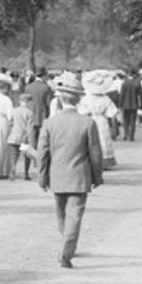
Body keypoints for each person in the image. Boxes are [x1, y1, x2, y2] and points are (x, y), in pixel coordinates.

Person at [37, 71, 103, 269]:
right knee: (75, 215)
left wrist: (42, 178)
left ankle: (67, 245)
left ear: (60, 98)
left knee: (62, 214)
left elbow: (43, 154)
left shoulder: (50, 123)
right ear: (78, 99)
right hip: (79, 177)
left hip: (56, 176)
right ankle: (67, 251)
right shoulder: (87, 123)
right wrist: (97, 176)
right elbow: (95, 154)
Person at [79, 70, 118, 170]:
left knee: (91, 139)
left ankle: (91, 160)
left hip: (90, 119)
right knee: (103, 140)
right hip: (102, 120)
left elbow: (82, 112)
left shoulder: (86, 98)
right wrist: (114, 128)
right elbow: (113, 114)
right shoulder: (105, 98)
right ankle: (104, 161)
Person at [8, 93, 34, 180]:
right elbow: (29, 128)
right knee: (26, 155)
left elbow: (11, 123)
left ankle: (12, 170)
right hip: (24, 138)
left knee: (14, 155)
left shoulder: (14, 111)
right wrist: (31, 140)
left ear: (20, 101)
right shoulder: (29, 113)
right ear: (29, 102)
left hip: (14, 136)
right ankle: (26, 174)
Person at [26, 69, 52, 150]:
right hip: (42, 116)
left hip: (30, 116)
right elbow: (48, 104)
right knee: (41, 142)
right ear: (43, 76)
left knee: (31, 141)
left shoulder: (28, 87)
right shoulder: (45, 87)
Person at [118, 68, 142, 142]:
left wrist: (120, 105)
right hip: (134, 104)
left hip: (125, 104)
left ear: (128, 74)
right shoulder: (137, 83)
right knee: (133, 121)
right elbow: (140, 95)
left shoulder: (124, 83)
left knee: (126, 121)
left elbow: (122, 95)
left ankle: (126, 134)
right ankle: (131, 136)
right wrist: (141, 105)